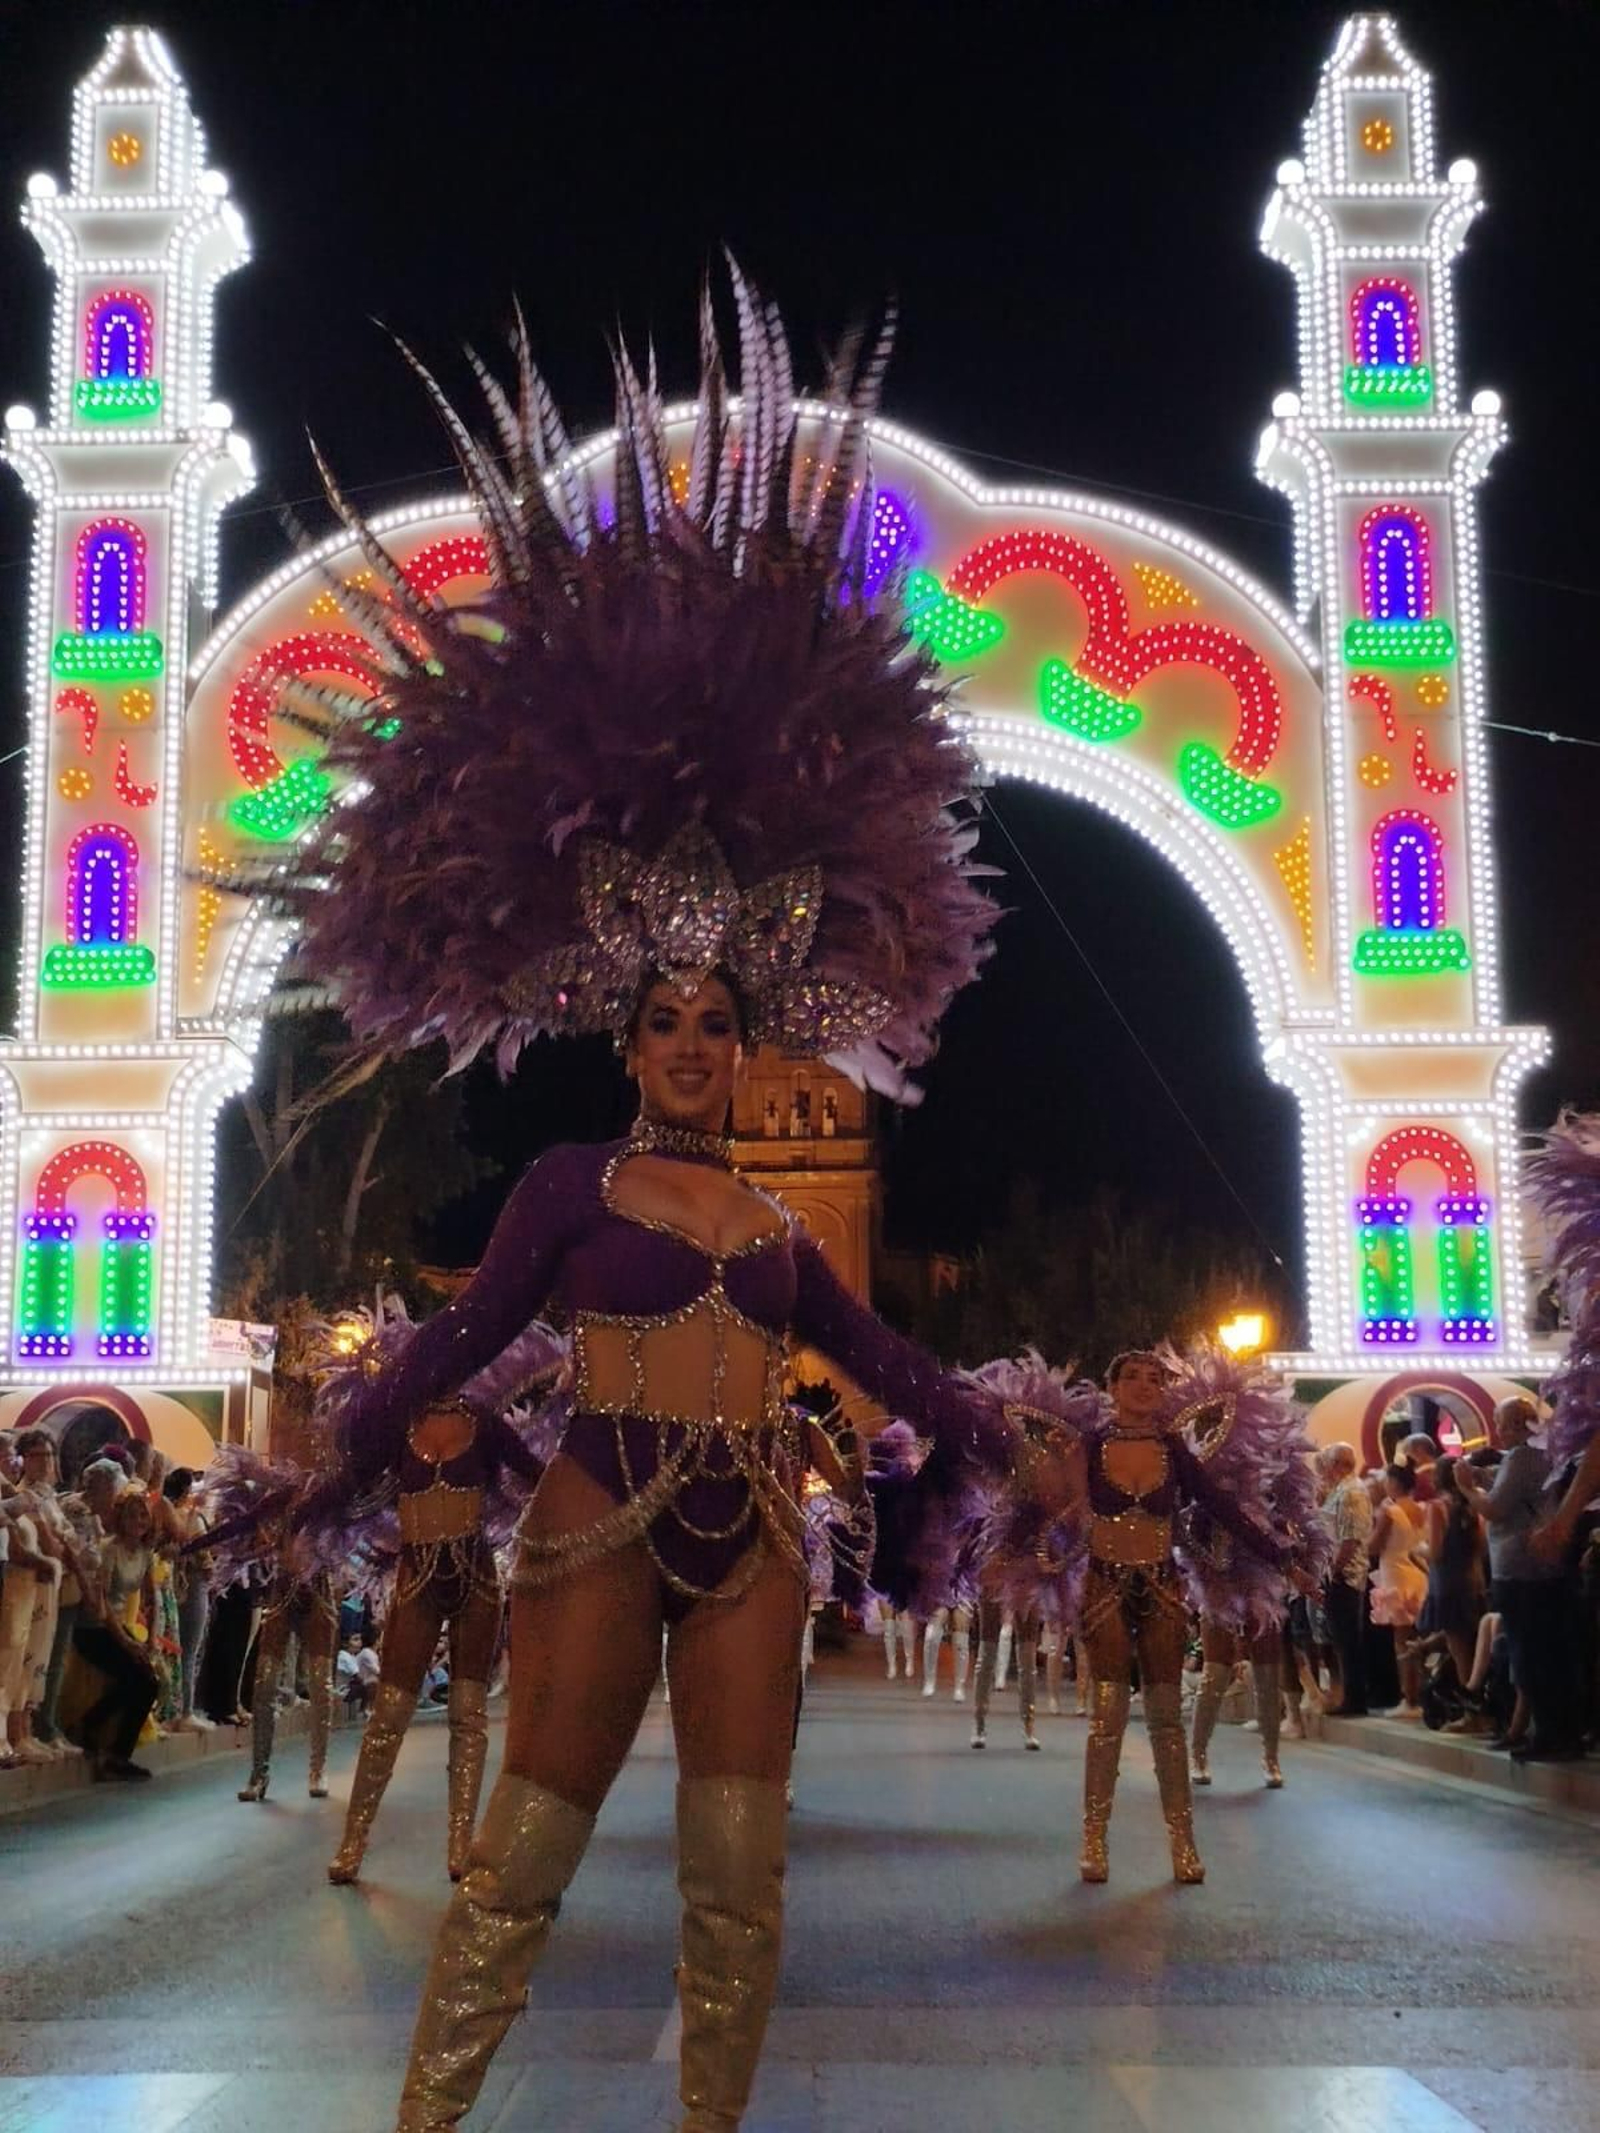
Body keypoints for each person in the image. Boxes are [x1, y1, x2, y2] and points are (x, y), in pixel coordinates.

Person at [230, 271, 1008, 2133]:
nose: (685, 1040)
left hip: (752, 1541)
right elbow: (470, 1335)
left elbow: (885, 1351)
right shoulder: (573, 1184)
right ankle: (426, 2116)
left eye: (713, 1019)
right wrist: (341, 1447)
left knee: (743, 1884)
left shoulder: (775, 1230)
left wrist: (1010, 1434)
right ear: (621, 1031)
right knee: (525, 1865)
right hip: (592, 1523)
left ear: (750, 1040)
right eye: (658, 1016)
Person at [1455, 1398, 1579, 1762]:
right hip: (1544, 1569)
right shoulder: (1541, 1457)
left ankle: (1548, 1733)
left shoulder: (1522, 1457)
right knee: (1545, 1651)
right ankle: (1554, 1731)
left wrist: (1466, 1488)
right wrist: (1485, 1479)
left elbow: (1495, 1508)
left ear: (1522, 1425)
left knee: (1529, 1653)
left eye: (1503, 1424)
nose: (1498, 1432)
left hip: (1522, 1570)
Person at [1418, 1456, 1485, 1691]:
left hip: (1445, 1582)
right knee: (1474, 1644)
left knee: (1458, 1649)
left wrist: (1418, 1548)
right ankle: (1475, 1700)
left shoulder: (1437, 1507)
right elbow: (1480, 1545)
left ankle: (1470, 1705)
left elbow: (1435, 1552)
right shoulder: (1472, 1504)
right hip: (1470, 1579)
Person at [1319, 1444, 1374, 1716]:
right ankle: (1350, 1695)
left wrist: (1335, 1570)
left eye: (1326, 1464)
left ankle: (1355, 1698)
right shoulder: (1341, 1490)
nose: (1324, 1471)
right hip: (1338, 1572)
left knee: (1347, 1638)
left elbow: (1349, 1538)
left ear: (1337, 1463)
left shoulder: (1351, 1492)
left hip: (1346, 1575)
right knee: (1341, 1638)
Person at [1369, 1464, 1429, 1713]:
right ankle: (1422, 1692)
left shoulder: (1390, 1511)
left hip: (1395, 1575)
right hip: (1418, 1572)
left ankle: (1409, 1697)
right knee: (1418, 1638)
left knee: (1401, 1641)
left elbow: (1374, 1546)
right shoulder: (1421, 1509)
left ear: (1394, 1482)